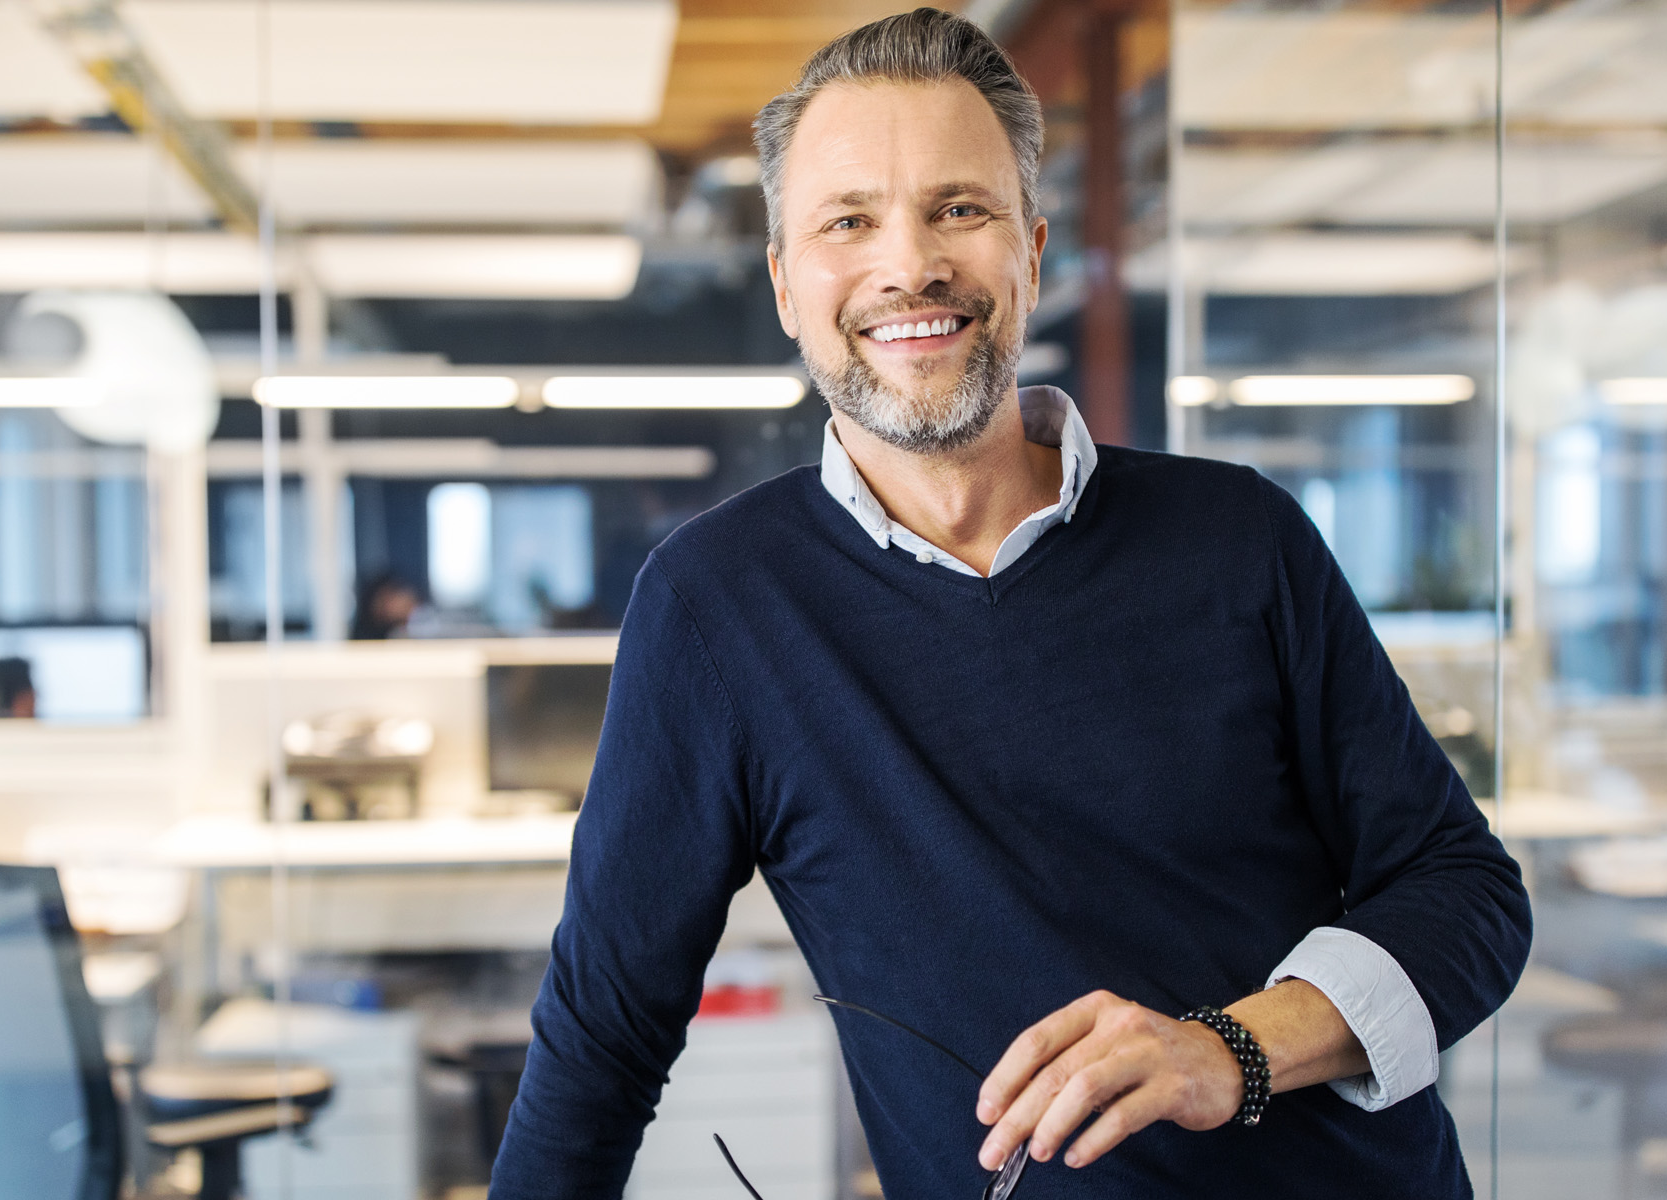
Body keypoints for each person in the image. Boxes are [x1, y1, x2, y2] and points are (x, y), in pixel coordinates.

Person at [489, 10, 1529, 1198]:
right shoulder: (718, 607)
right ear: (785, 284)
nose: (908, 264)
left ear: (1031, 251)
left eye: (958, 209)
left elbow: (1465, 893)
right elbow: (605, 1031)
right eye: (848, 221)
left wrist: (1228, 1049)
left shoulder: (1238, 537)